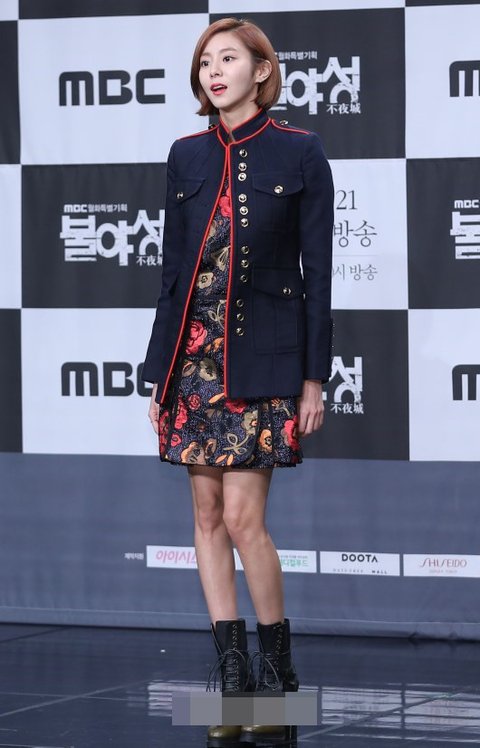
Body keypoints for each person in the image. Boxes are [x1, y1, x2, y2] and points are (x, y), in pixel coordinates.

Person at [142, 16, 334, 745]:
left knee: (245, 519)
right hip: (192, 364)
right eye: (204, 63)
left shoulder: (300, 150)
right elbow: (172, 275)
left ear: (262, 70)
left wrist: (313, 378)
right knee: (205, 518)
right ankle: (232, 679)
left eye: (227, 59)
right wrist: (159, 373)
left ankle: (277, 675)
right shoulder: (185, 155)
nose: (214, 72)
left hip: (264, 363)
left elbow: (319, 277)